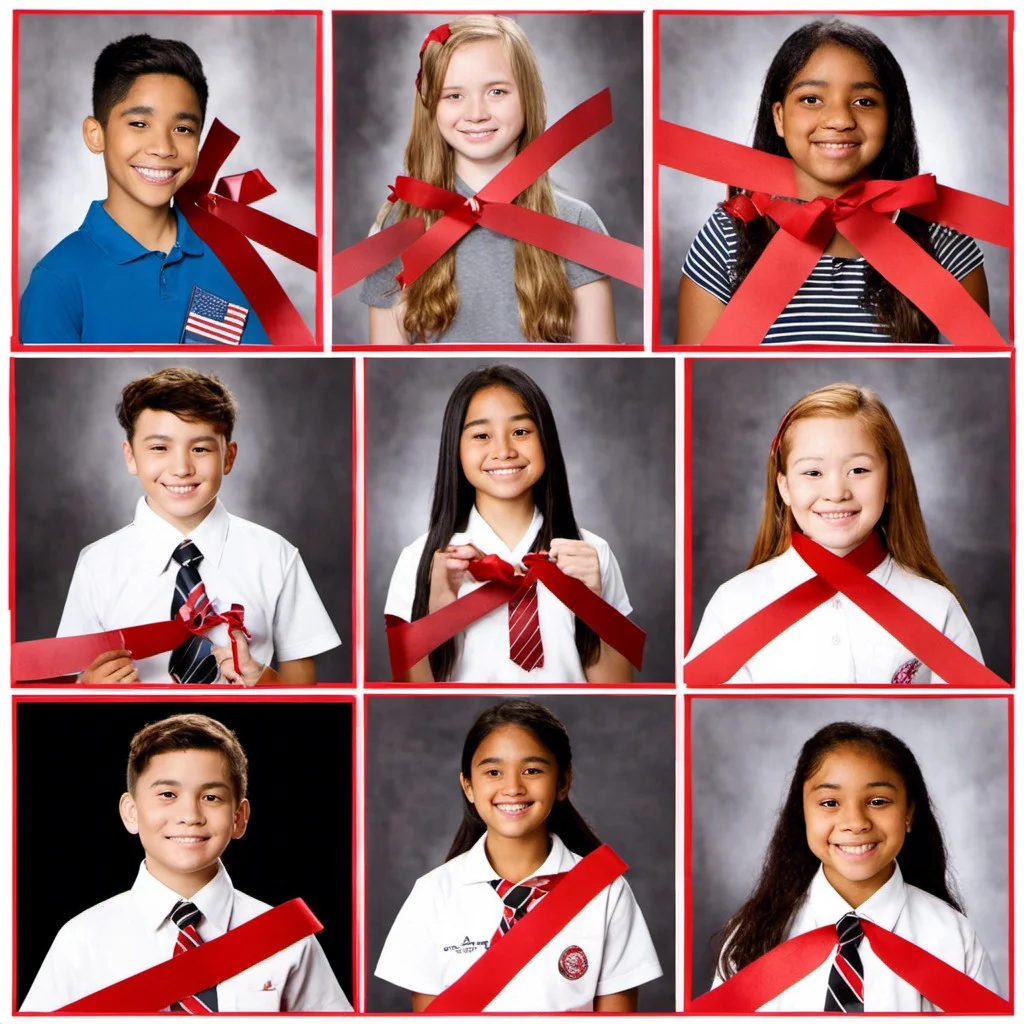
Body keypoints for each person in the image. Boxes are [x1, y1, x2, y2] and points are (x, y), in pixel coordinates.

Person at [676, 19, 990, 345]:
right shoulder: (727, 235)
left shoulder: (943, 242)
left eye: (864, 101)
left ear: (891, 116)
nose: (840, 120)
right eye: (811, 99)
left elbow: (986, 355)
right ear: (779, 117)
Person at [21, 713, 352, 1011]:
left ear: (239, 818)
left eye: (211, 797)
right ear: (131, 812)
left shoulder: (286, 938)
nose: (190, 816)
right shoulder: (82, 940)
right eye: (168, 795)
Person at [57, 367, 340, 684]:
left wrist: (262, 680)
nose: (181, 468)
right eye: (159, 448)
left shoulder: (276, 556)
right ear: (131, 457)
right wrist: (87, 687)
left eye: (201, 449)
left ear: (228, 457)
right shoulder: (97, 563)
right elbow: (71, 676)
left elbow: (303, 683)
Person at [376, 699, 662, 1010]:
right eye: (494, 772)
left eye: (532, 770)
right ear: (468, 786)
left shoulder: (607, 892)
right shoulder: (432, 894)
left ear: (563, 782)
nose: (513, 788)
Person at [686, 383, 983, 683]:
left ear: (891, 481)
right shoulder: (735, 604)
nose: (836, 493)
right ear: (785, 487)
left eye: (858, 470)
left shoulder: (935, 606)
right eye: (813, 473)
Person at [708, 721, 1002, 1011]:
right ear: (802, 815)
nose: (855, 823)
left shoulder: (952, 938)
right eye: (829, 803)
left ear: (909, 813)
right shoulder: (752, 935)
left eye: (877, 801)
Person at [360, 15, 617, 343]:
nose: (477, 112)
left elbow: (600, 346)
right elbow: (387, 356)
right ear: (431, 106)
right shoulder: (399, 225)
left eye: (496, 91)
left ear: (527, 96)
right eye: (454, 96)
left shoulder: (577, 223)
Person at [384, 364, 635, 682]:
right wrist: (437, 613)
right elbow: (410, 694)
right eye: (481, 435)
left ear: (545, 440)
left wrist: (594, 604)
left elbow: (616, 688)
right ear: (456, 449)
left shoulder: (591, 554)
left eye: (520, 432)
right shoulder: (419, 560)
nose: (503, 451)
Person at [19, 33, 271, 344]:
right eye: (139, 124)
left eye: (183, 129)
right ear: (96, 135)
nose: (163, 147)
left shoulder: (231, 258)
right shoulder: (58, 280)